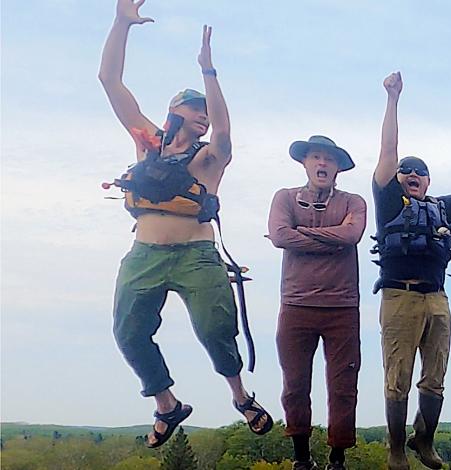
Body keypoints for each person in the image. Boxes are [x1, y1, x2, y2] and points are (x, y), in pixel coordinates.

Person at [100, 0, 271, 449]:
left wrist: (208, 72)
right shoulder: (147, 142)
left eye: (206, 111)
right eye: (193, 107)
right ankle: (166, 404)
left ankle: (240, 397)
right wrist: (121, 24)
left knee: (216, 329)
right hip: (145, 253)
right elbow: (110, 81)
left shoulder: (210, 158)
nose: (203, 114)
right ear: (175, 110)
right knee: (129, 331)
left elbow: (225, 132)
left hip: (197, 255)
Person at [372, 72, 451, 470]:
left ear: (429, 181)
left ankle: (424, 440)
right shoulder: (389, 204)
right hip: (399, 296)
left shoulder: (443, 208)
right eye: (406, 172)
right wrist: (393, 99)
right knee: (397, 377)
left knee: (435, 376)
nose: (412, 175)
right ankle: (396, 448)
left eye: (419, 172)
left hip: (438, 298)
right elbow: (388, 150)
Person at [267, 135, 366, 470]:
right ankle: (301, 457)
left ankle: (337, 458)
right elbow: (280, 235)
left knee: (343, 385)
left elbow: (352, 236)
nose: (322, 164)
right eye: (316, 157)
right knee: (295, 383)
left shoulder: (354, 201)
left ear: (338, 167)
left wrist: (303, 236)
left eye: (329, 159)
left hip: (342, 305)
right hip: (296, 304)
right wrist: (332, 238)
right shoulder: (285, 197)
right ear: (305, 162)